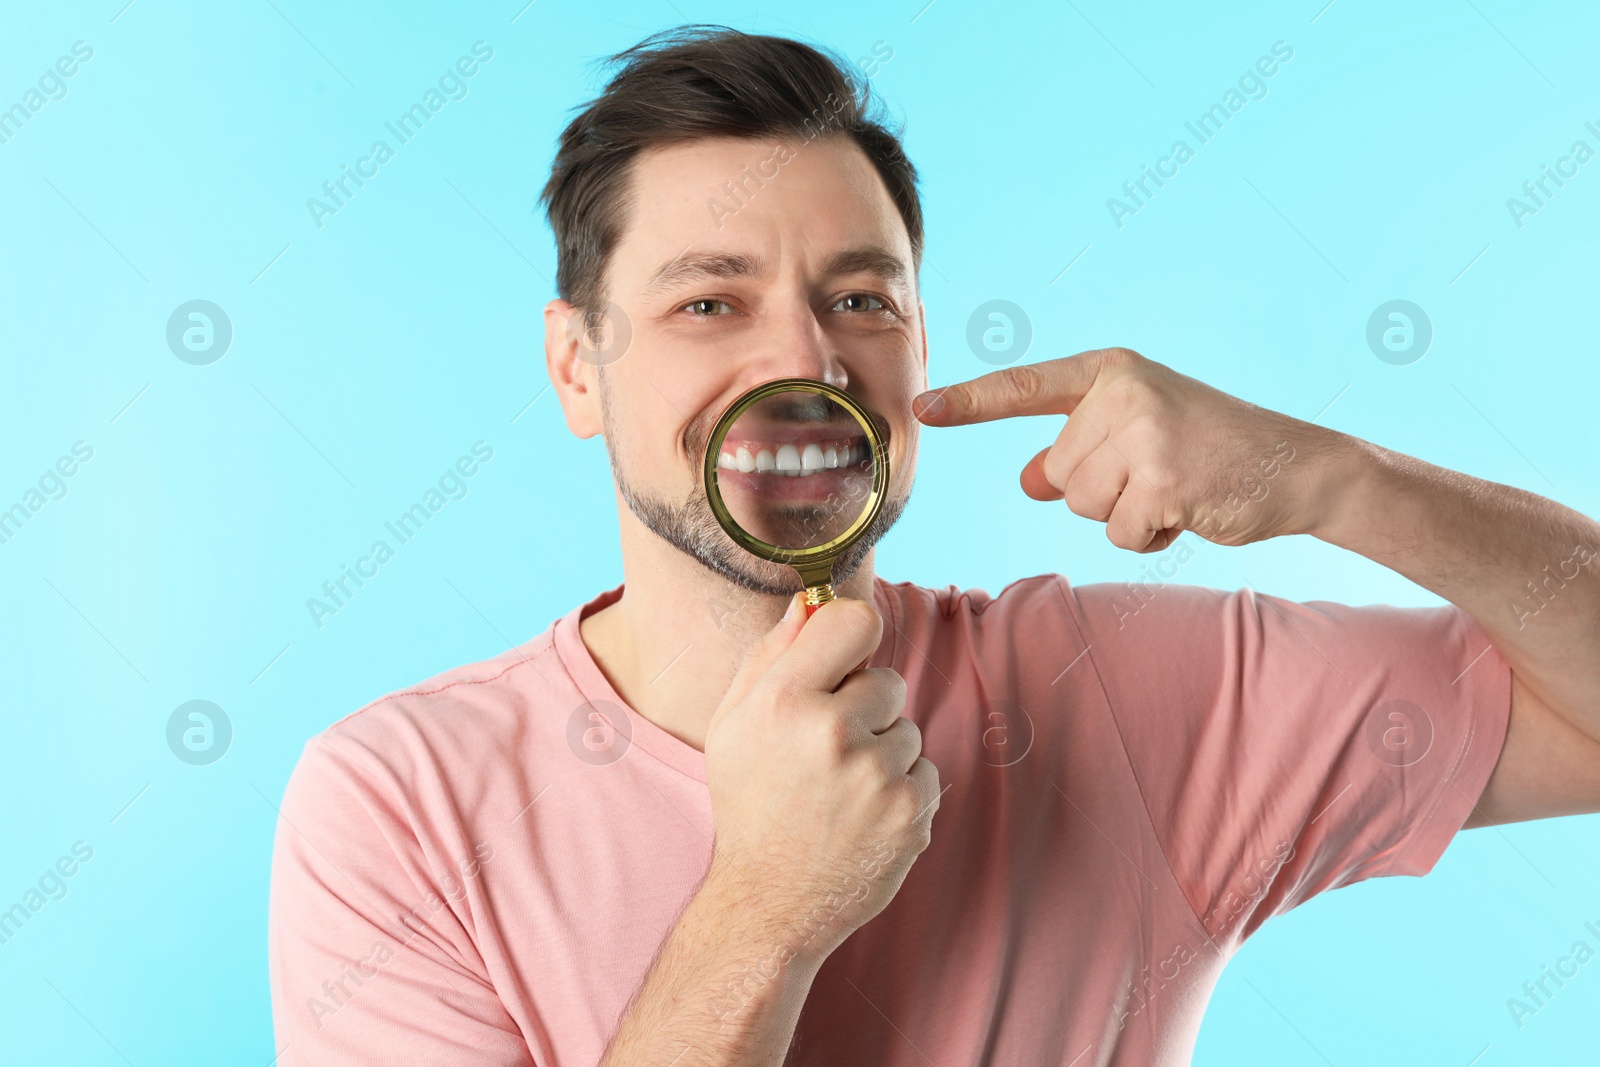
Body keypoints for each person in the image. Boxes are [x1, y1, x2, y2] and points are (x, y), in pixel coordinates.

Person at [267, 25, 1600, 1066]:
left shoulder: (1123, 692)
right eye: (709, 301)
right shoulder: (396, 805)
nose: (800, 357)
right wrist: (764, 918)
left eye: (859, 297)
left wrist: (1333, 481)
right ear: (576, 369)